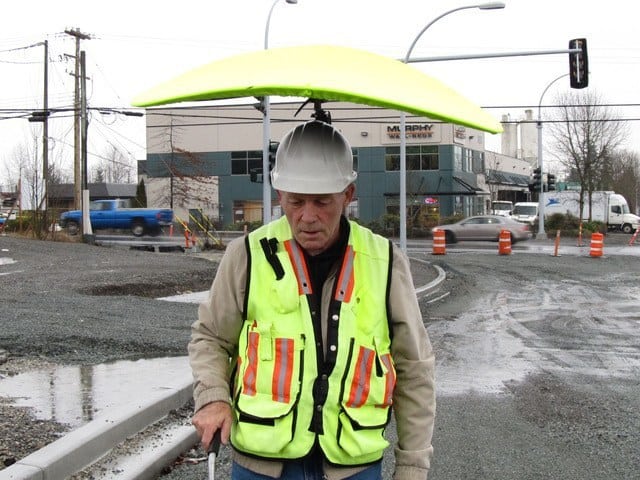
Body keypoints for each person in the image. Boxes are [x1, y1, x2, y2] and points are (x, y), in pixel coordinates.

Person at [188, 119, 436, 480]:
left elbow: (414, 368)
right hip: (261, 467)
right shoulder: (248, 254)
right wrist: (212, 396)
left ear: (348, 195)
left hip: (354, 468)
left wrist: (413, 466)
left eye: (322, 202)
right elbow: (210, 337)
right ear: (279, 197)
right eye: (296, 202)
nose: (307, 217)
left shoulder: (385, 261)